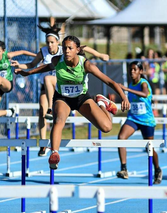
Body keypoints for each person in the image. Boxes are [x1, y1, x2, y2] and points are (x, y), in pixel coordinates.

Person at [12, 35, 130, 169]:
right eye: (65, 48)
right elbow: (45, 67)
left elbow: (109, 81)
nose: (67, 51)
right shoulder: (58, 60)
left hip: (81, 98)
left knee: (107, 127)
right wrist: (28, 73)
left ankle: (102, 103)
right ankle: (54, 154)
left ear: (77, 50)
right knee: (59, 120)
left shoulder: (86, 64)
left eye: (70, 48)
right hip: (63, 98)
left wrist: (124, 97)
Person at [11, 24, 109, 157]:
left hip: (60, 85)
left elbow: (83, 48)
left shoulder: (64, 51)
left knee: (48, 79)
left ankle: (52, 107)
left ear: (57, 42)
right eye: (48, 42)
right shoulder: (43, 52)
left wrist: (99, 54)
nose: (50, 45)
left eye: (52, 42)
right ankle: (44, 143)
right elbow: (32, 65)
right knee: (41, 111)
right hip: (47, 89)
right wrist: (21, 67)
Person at [116, 61, 162, 184]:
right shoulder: (131, 84)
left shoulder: (143, 83)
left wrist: (127, 89)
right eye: (131, 70)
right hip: (133, 118)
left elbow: (145, 94)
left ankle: (157, 169)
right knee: (121, 137)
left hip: (146, 120)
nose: (132, 72)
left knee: (150, 147)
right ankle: (124, 169)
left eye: (135, 70)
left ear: (140, 71)